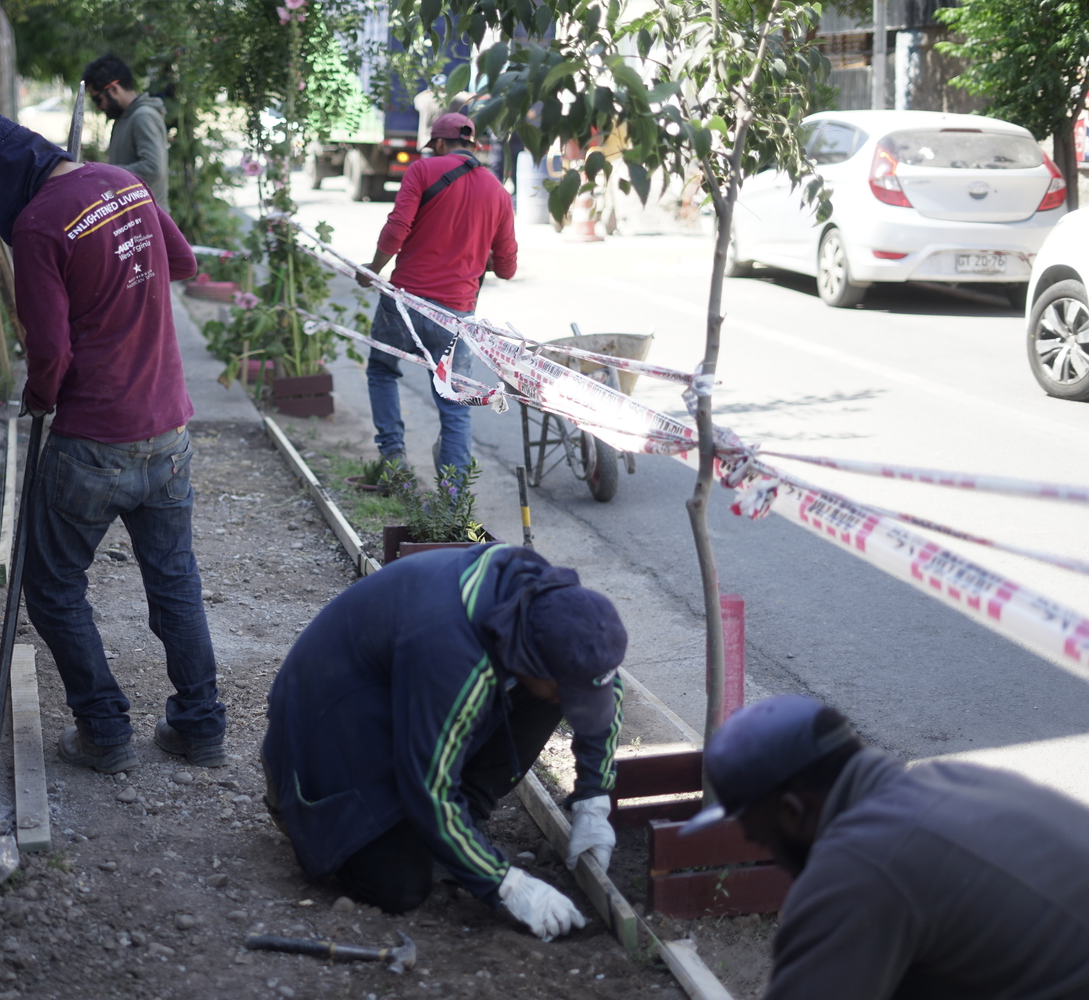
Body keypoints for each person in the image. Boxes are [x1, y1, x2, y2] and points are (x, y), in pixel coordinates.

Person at [0, 115, 225, 774]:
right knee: (175, 580)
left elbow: (50, 351)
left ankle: (104, 732)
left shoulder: (41, 225)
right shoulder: (125, 182)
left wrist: (40, 397)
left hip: (94, 442)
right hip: (169, 432)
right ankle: (201, 725)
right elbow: (179, 263)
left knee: (50, 586)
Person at [261, 543, 626, 940]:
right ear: (531, 661)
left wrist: (594, 797)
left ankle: (463, 816)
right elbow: (428, 788)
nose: (564, 702)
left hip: (399, 697)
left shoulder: (537, 610)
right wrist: (506, 885)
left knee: (551, 695)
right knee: (398, 887)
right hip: (330, 732)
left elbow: (602, 684)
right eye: (560, 688)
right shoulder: (451, 654)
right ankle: (322, 822)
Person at [687, 695, 1089, 1000]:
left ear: (793, 814)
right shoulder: (949, 778)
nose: (774, 859)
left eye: (764, 841)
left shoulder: (861, 865)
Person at [357, 112, 517, 475]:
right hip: (456, 315)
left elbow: (398, 228)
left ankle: (394, 457)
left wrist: (374, 269)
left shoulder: (422, 171)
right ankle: (454, 496)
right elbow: (507, 267)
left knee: (382, 370)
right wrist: (472, 255)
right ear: (473, 145)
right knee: (453, 398)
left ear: (439, 144)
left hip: (405, 300)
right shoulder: (497, 191)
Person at [82, 54, 169, 207]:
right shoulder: (124, 119)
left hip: (149, 222)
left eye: (98, 99)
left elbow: (154, 168)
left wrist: (102, 173)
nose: (98, 107)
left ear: (114, 89)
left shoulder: (143, 116)